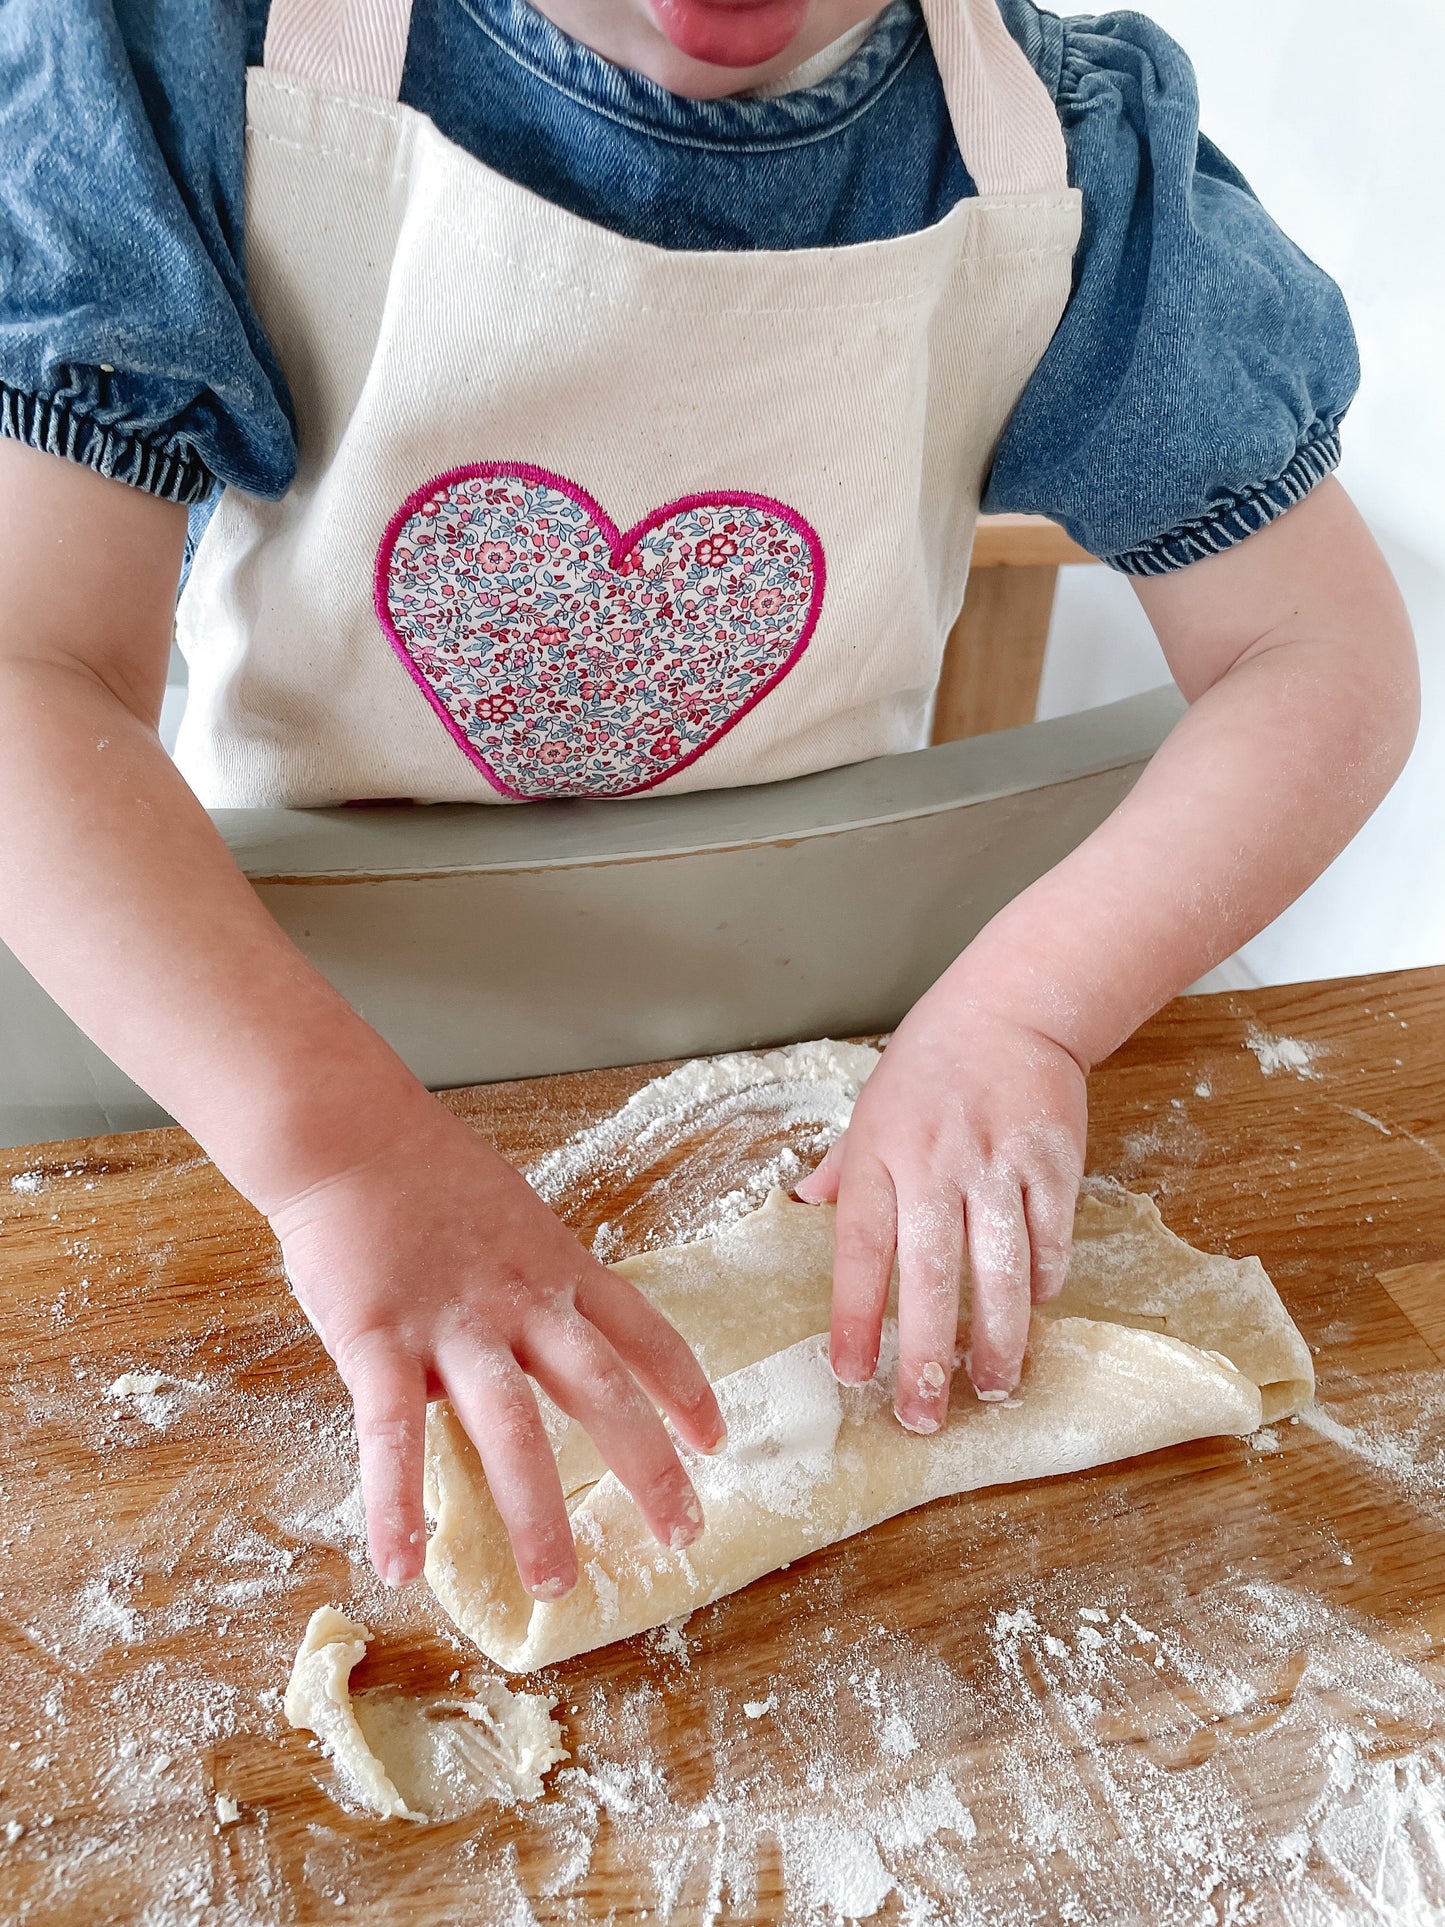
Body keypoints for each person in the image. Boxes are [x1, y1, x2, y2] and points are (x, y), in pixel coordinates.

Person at [0, 0, 1416, 1602]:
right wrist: (333, 1155)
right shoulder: (189, 60)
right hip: (283, 1032)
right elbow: (26, 672)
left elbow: (1319, 653)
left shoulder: (1055, 154)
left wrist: (1019, 1017)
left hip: (817, 1054)